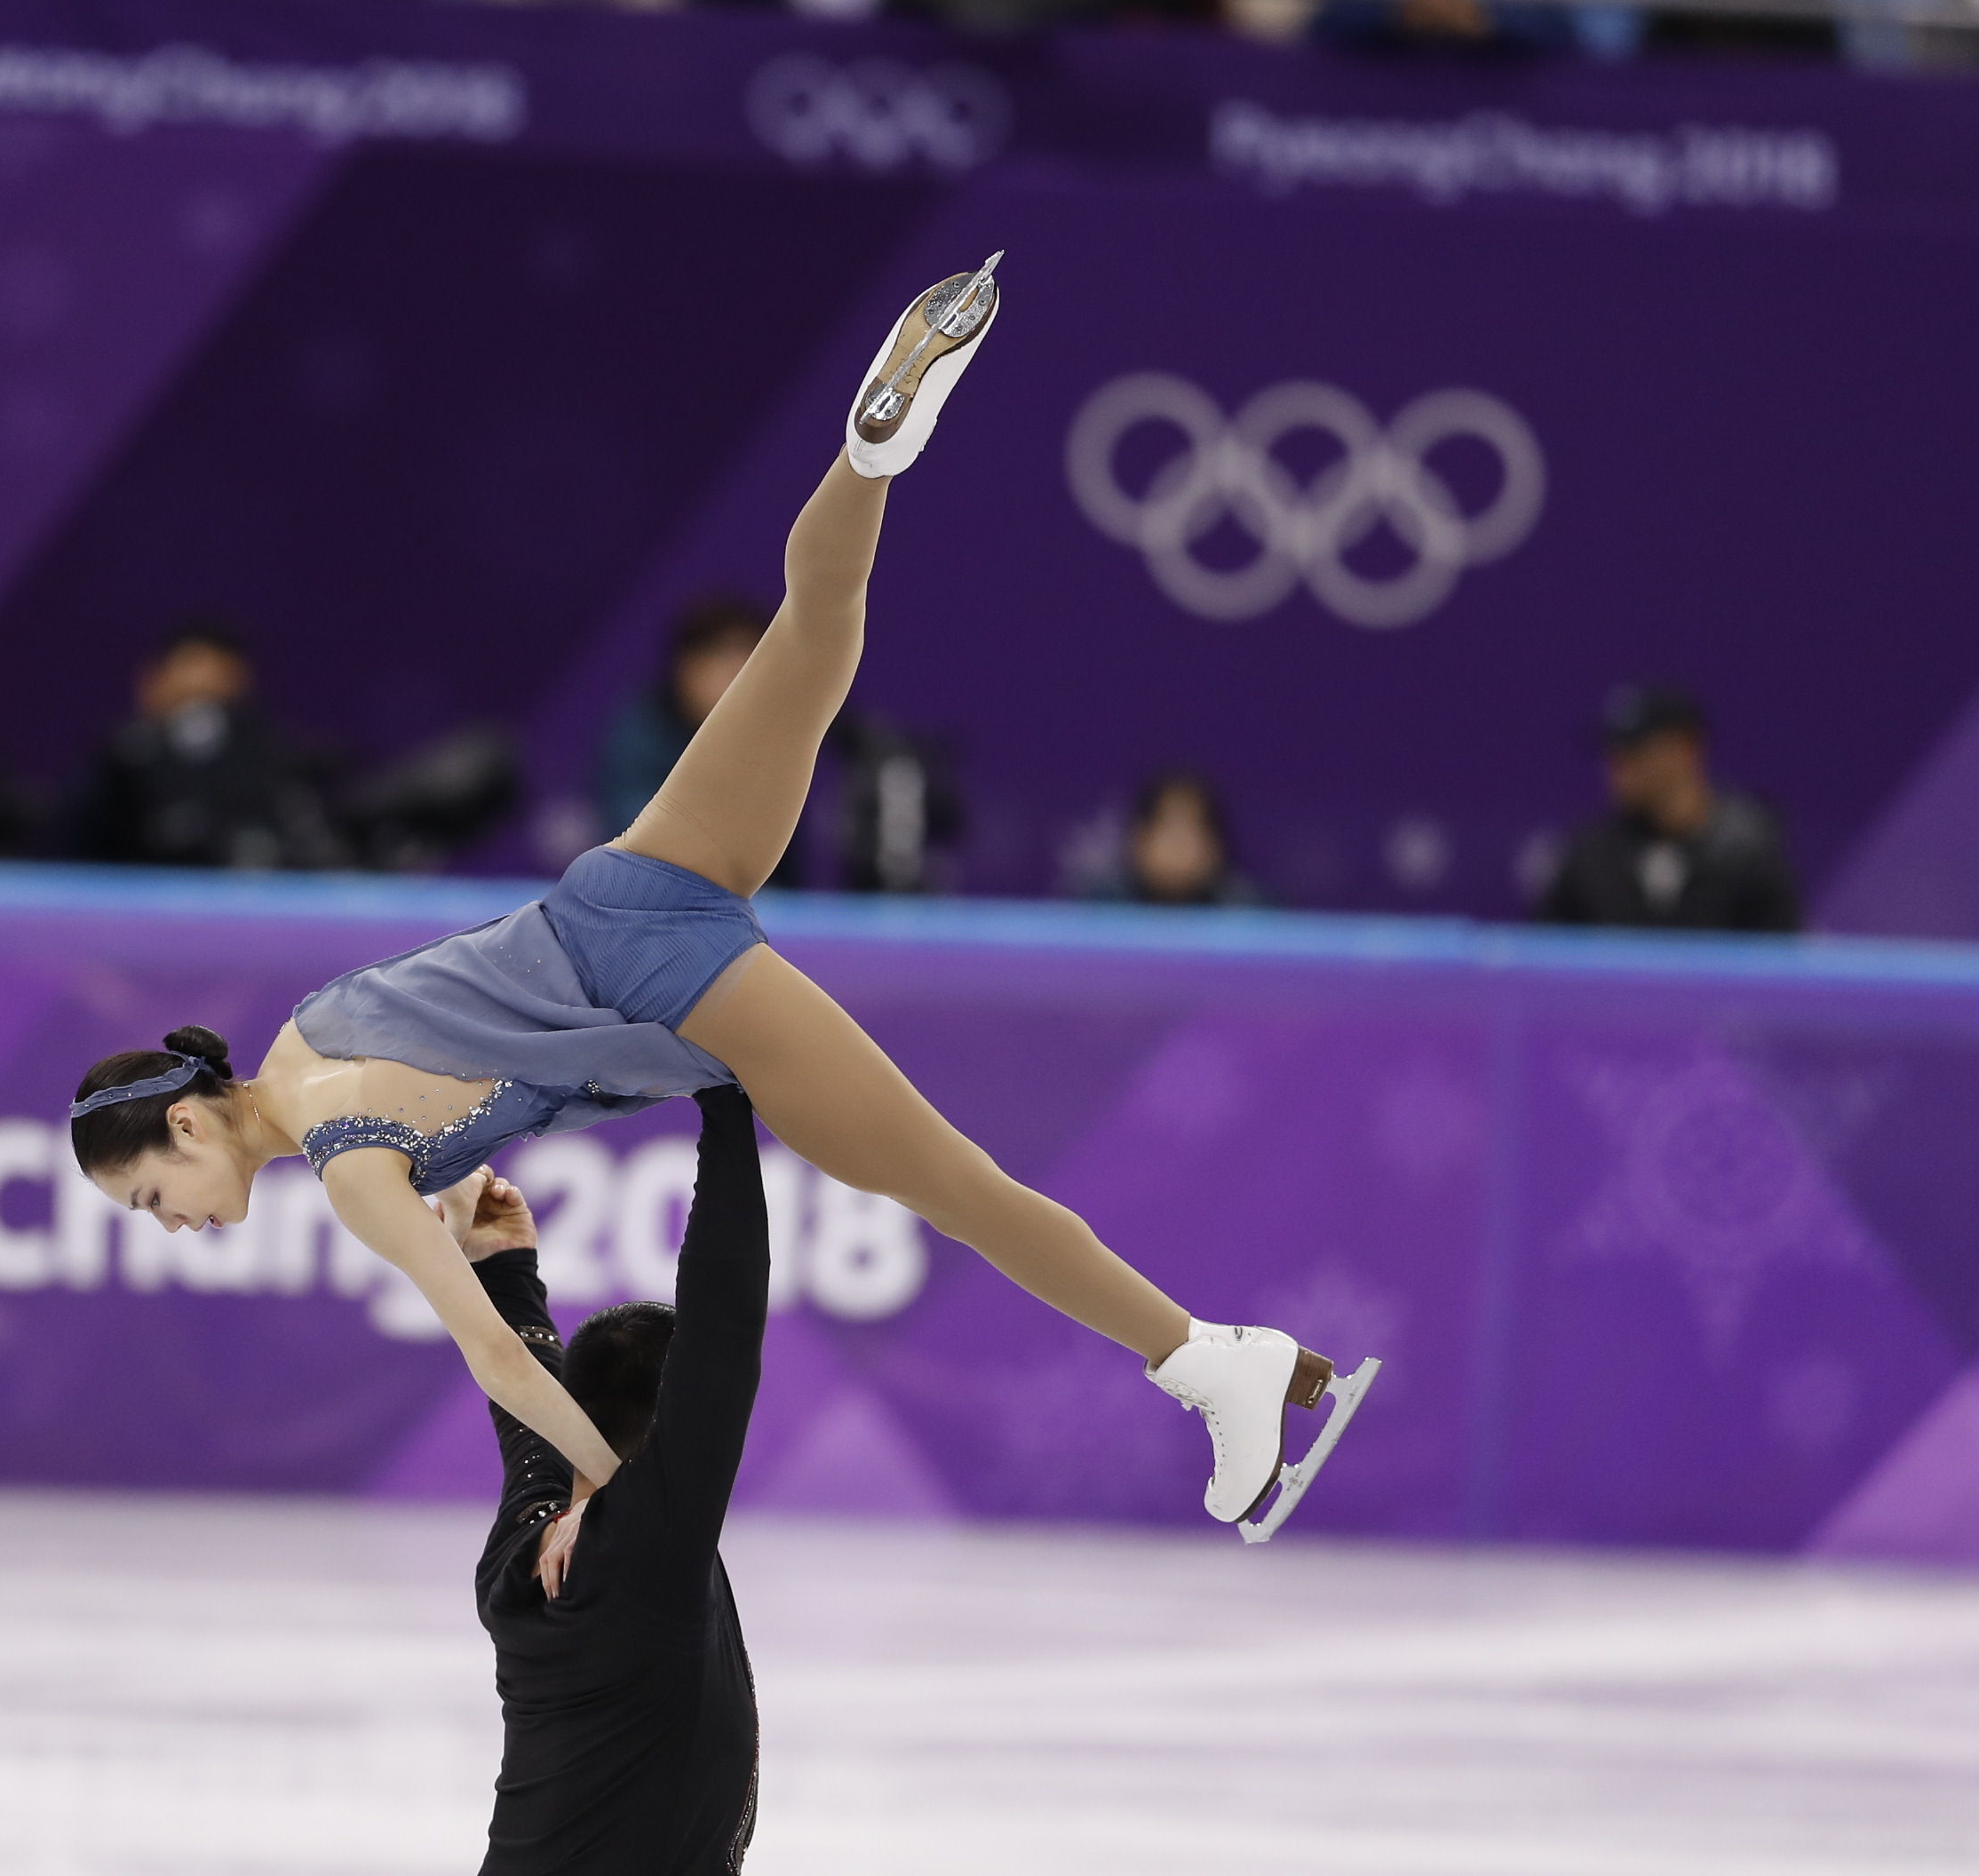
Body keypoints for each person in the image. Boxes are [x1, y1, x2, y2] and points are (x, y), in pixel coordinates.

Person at [69, 255, 1368, 1538]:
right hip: (625, 892)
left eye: (148, 1202)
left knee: (959, 1189)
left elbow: (503, 1364)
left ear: (188, 1131)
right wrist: (471, 1196)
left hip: (659, 972)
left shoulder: (350, 1175)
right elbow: (460, 1057)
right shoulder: (308, 1037)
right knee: (813, 627)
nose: (171, 1229)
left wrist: (607, 1495)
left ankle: (1215, 1369)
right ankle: (867, 453)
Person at [396, 1094, 764, 1876]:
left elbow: (528, 1408)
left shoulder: (536, 1529)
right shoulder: (649, 1546)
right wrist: (730, 1106)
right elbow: (727, 1319)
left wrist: (505, 1264)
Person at [68, 620, 342, 870]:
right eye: (187, 699)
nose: (198, 723)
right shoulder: (119, 765)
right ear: (151, 683)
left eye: (211, 698)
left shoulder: (281, 766)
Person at [1536, 684, 1802, 933]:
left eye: (1635, 752)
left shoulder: (1748, 852)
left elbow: (1779, 964)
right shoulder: (1591, 855)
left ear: (1685, 750)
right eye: (1612, 754)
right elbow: (1547, 956)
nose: (1617, 770)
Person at [595, 596, 768, 844]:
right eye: (723, 659)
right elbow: (642, 834)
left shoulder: (771, 735)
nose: (738, 675)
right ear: (686, 667)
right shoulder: (640, 733)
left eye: (751, 660)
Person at [1069, 768, 1267, 908]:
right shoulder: (1099, 910)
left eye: (1190, 832)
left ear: (1215, 847)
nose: (1178, 845)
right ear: (1140, 839)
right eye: (1167, 829)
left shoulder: (1246, 915)